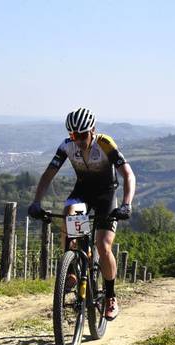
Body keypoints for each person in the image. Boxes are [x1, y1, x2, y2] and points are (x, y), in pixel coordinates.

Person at [28, 107, 136, 321]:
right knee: (69, 211)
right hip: (83, 192)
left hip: (106, 194)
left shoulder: (105, 144)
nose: (77, 139)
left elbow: (128, 174)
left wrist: (126, 204)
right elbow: (48, 175)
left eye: (81, 134)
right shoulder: (67, 147)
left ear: (92, 130)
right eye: (72, 135)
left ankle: (111, 296)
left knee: (103, 246)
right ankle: (73, 267)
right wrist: (36, 202)